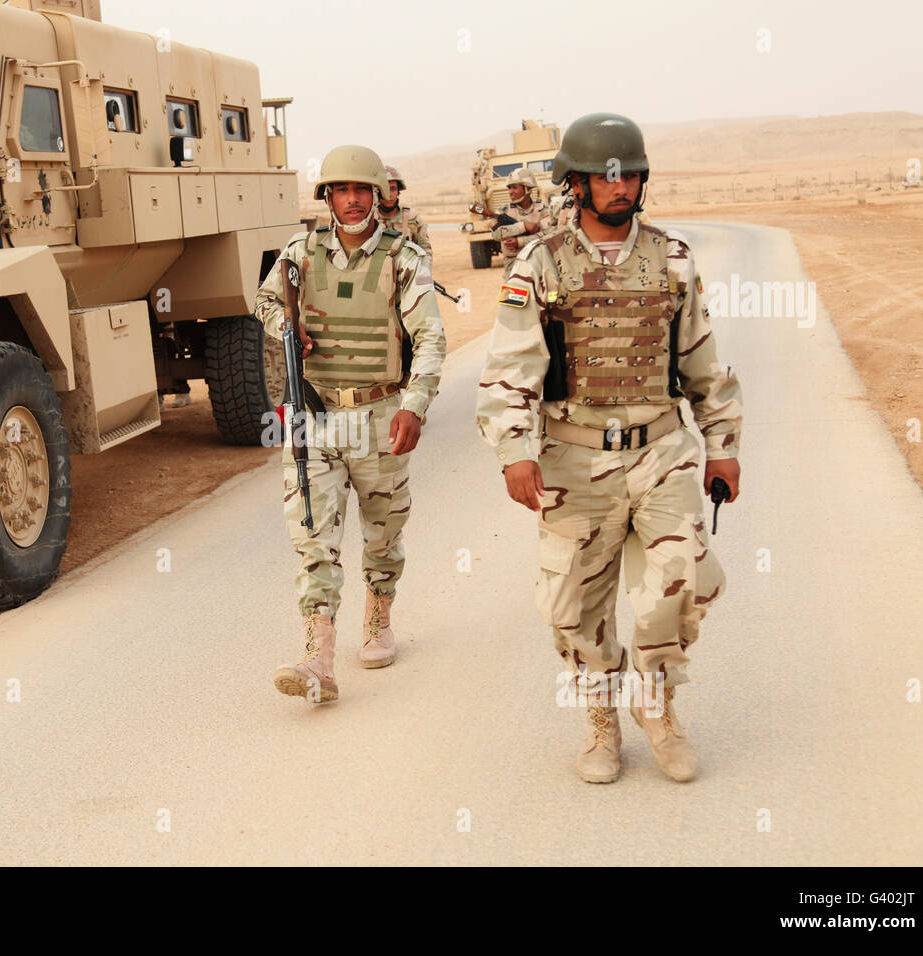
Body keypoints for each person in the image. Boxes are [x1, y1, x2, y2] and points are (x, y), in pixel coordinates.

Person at [475, 113, 743, 783]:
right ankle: (601, 717)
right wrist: (515, 450)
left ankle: (656, 700)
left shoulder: (673, 259)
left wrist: (722, 443)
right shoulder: (540, 263)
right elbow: (512, 364)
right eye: (605, 175)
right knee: (573, 606)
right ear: (577, 184)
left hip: (662, 451)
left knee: (683, 579)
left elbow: (702, 360)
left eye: (630, 173)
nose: (620, 186)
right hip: (574, 457)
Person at [254, 144, 446, 703]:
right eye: (342, 190)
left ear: (378, 195)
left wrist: (416, 404)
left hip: (381, 413)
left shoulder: (402, 258)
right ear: (328, 196)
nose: (353, 200)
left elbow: (431, 336)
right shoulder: (298, 252)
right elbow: (264, 303)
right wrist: (288, 326)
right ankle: (318, 655)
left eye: (362, 190)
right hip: (314, 411)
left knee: (383, 532)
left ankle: (379, 614)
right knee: (312, 532)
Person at [493, 167, 547, 271]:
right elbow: (495, 234)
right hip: (513, 266)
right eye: (509, 188)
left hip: (540, 264)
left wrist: (520, 241)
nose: (510, 192)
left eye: (514, 187)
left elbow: (548, 235)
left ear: (527, 188)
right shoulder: (503, 211)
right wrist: (523, 226)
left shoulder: (543, 210)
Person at [374, 164, 432, 258]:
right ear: (377, 191)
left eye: (393, 189)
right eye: (385, 189)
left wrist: (423, 271)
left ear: (398, 192)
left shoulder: (412, 219)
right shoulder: (369, 220)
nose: (389, 194)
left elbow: (425, 251)